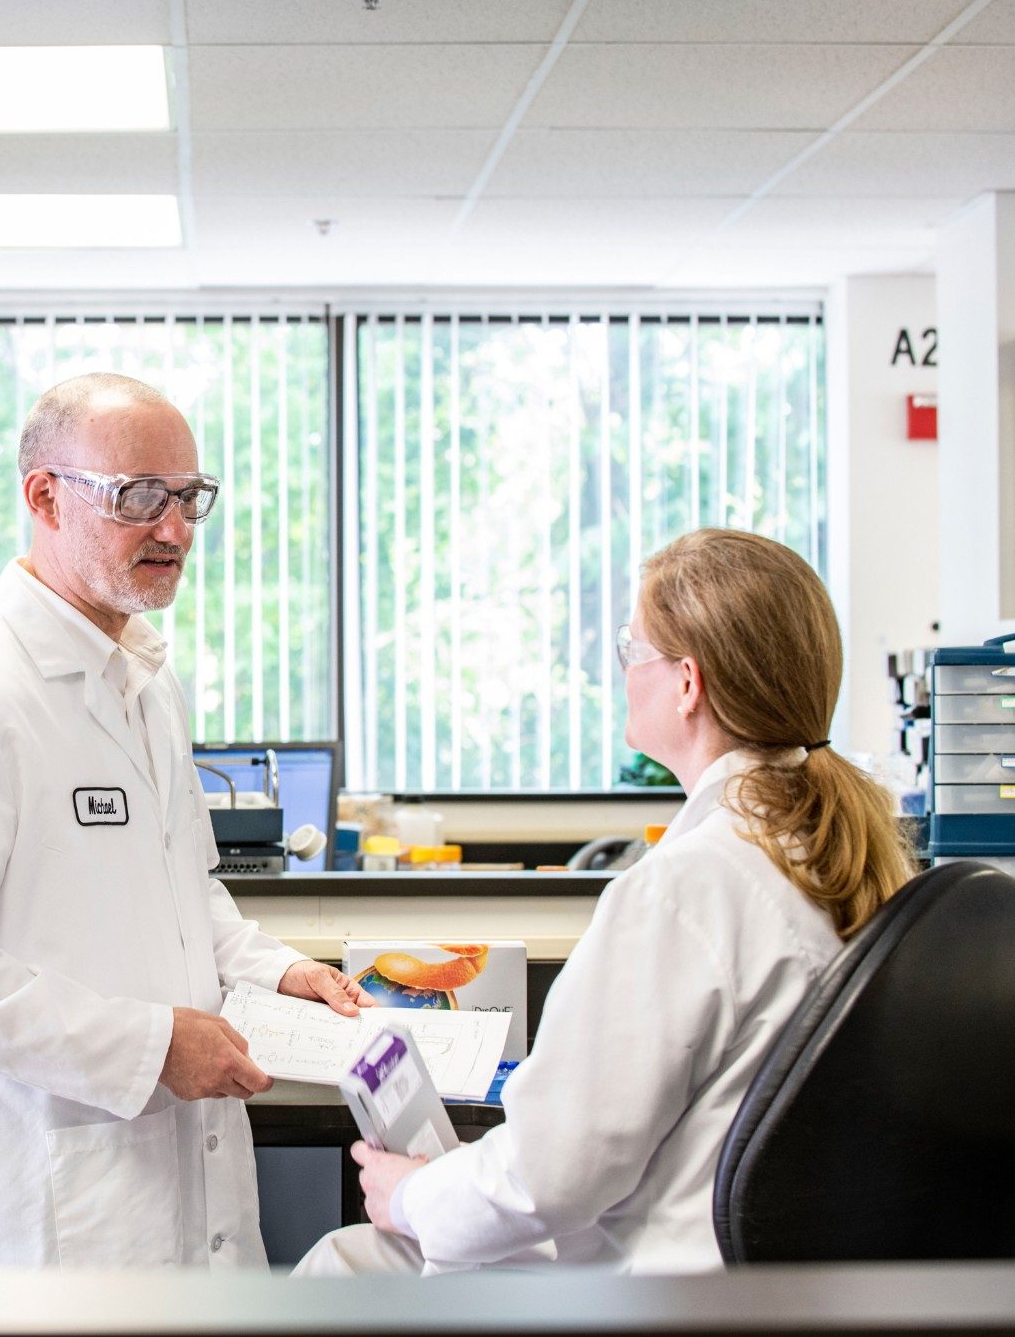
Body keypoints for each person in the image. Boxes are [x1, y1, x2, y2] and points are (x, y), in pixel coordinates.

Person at [297, 528, 913, 1276]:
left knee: (345, 1261)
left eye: (633, 648)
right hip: (766, 1275)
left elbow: (549, 1177)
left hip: (666, 1292)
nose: (624, 670)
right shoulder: (830, 849)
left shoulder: (687, 887)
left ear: (687, 683)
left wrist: (410, 1196)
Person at [0, 371, 371, 1270]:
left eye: (187, 496)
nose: (174, 530)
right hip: (36, 1208)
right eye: (138, 496)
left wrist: (277, 970)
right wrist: (150, 1046)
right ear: (45, 497)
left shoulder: (145, 679)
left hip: (172, 1176)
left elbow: (184, 893)